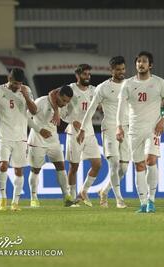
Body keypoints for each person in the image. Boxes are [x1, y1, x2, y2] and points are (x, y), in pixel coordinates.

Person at [116, 51, 164, 213]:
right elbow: (121, 107)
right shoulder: (127, 84)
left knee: (150, 160)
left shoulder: (159, 83)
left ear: (150, 65)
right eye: (138, 62)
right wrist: (119, 126)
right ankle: (143, 203)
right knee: (139, 166)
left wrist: (163, 120)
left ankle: (151, 200)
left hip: (153, 128)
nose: (140, 64)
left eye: (144, 61)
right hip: (134, 130)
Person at [0, 68, 37, 211]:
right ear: (9, 79)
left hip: (21, 137)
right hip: (4, 135)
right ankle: (2, 198)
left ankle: (15, 203)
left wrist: (26, 96)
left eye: (20, 83)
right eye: (15, 83)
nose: (17, 86)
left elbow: (34, 111)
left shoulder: (26, 90)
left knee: (18, 171)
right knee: (3, 166)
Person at [77, 56, 129, 208]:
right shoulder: (103, 88)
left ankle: (104, 191)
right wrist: (82, 129)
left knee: (124, 168)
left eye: (123, 69)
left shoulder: (131, 85)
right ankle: (119, 200)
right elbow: (91, 109)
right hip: (110, 128)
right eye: (118, 69)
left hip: (127, 128)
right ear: (111, 70)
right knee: (114, 164)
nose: (121, 72)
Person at [50, 64, 102, 206]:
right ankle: (71, 198)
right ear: (77, 75)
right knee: (74, 167)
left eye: (89, 74)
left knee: (97, 164)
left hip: (89, 131)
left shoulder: (93, 90)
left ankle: (83, 192)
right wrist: (70, 120)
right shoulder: (70, 88)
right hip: (74, 132)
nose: (87, 77)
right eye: (85, 74)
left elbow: (100, 105)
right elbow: (53, 95)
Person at [27, 85, 75, 208]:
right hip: (37, 140)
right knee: (35, 169)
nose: (65, 104)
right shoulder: (41, 102)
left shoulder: (62, 107)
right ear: (58, 95)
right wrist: (39, 129)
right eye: (63, 100)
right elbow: (26, 117)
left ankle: (67, 197)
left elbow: (66, 117)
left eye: (67, 102)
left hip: (53, 140)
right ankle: (33, 198)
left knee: (61, 166)